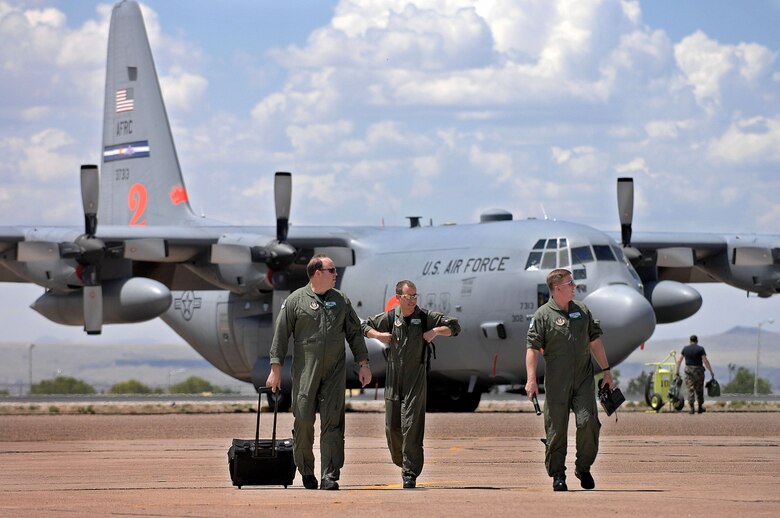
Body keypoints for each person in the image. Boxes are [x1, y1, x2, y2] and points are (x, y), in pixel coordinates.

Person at [266, 255, 372, 491]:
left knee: (333, 423)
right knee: (303, 421)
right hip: (306, 372)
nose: (336, 274)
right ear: (317, 273)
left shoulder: (341, 300)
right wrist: (275, 369)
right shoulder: (295, 300)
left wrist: (363, 363)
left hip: (334, 372)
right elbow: (281, 335)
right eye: (331, 270)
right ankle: (306, 470)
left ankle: (329, 475)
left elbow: (354, 333)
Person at [362, 280, 460, 489]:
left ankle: (410, 472)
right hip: (393, 377)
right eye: (408, 296)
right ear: (398, 298)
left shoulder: (425, 317)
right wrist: (378, 335)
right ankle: (403, 460)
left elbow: (454, 326)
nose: (413, 300)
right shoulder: (390, 318)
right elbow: (363, 326)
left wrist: (435, 331)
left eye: (415, 296)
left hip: (416, 377)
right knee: (392, 427)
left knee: (412, 425)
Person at [524, 269, 613, 492]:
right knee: (556, 429)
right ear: (557, 288)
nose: (574, 286)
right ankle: (558, 474)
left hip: (583, 378)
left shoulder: (582, 311)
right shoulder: (542, 315)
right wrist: (531, 379)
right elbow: (532, 348)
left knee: (588, 422)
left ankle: (583, 468)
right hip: (557, 381)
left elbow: (595, 341)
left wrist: (606, 371)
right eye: (570, 283)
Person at [675, 335, 715, 414]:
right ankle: (700, 407)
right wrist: (711, 371)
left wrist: (677, 371)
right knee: (699, 389)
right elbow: (705, 360)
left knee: (690, 388)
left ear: (690, 341)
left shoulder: (685, 348)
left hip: (689, 371)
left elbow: (679, 360)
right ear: (697, 341)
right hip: (699, 371)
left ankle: (692, 408)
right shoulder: (700, 349)